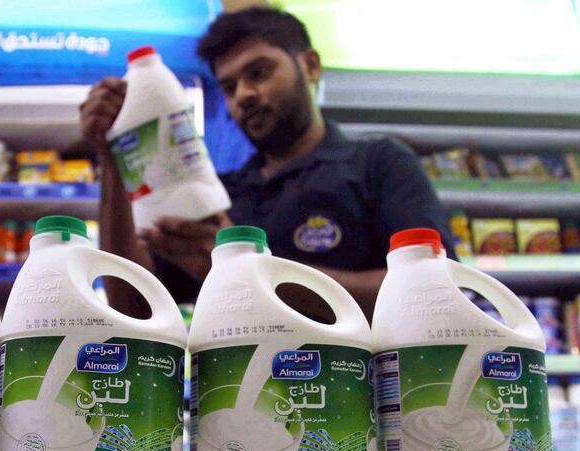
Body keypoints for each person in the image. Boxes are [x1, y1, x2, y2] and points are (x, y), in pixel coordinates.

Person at [80, 6, 456, 319]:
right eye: (228, 87)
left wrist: (249, 276)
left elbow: (433, 291)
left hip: (359, 399)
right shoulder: (219, 197)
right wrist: (113, 158)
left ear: (310, 66)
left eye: (258, 73)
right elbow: (132, 307)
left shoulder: (379, 163)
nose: (243, 95)